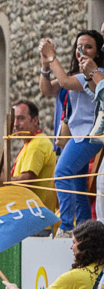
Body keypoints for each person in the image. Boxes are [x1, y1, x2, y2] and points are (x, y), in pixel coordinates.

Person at [39, 31, 104, 233]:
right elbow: (47, 89)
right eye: (79, 46)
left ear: (98, 52)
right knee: (76, 184)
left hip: (88, 134)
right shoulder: (78, 74)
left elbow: (65, 83)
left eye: (88, 47)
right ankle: (83, 227)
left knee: (62, 172)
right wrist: (45, 65)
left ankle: (67, 226)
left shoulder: (96, 72)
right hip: (79, 133)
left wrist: (52, 57)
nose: (82, 51)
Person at [11, 99, 58, 215]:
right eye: (13, 119)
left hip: (36, 219)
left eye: (21, 118)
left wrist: (2, 180)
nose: (15, 124)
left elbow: (26, 181)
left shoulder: (37, 145)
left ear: (35, 120)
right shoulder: (31, 144)